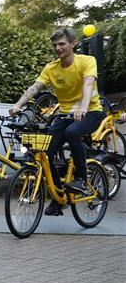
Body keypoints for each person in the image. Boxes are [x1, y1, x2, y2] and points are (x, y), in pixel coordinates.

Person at [9, 27, 104, 215]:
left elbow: (87, 84)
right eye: (55, 45)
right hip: (65, 114)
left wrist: (83, 107)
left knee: (72, 132)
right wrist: (18, 106)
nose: (58, 48)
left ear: (73, 44)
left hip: (91, 111)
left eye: (62, 44)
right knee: (45, 151)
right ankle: (57, 197)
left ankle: (82, 178)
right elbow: (34, 88)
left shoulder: (87, 61)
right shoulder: (51, 68)